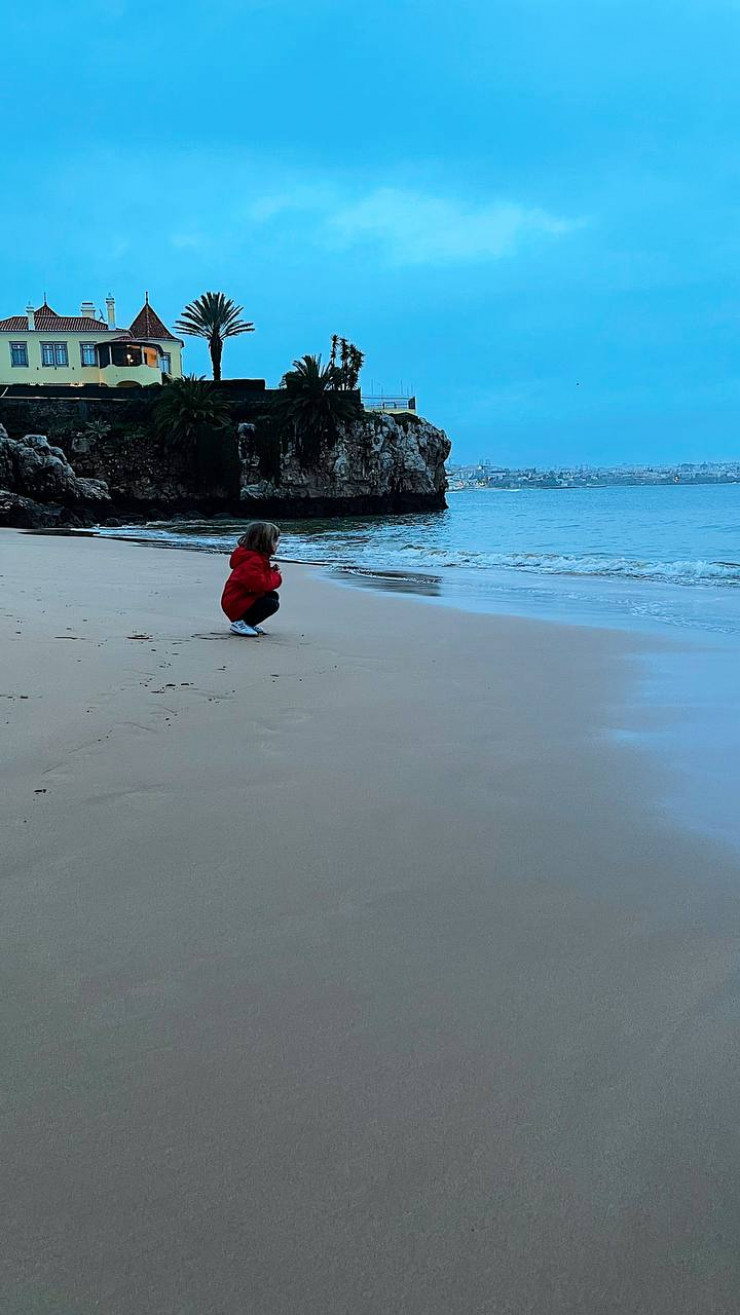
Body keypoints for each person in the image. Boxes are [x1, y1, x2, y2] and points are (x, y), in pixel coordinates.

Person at [221, 521, 282, 637]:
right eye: (275, 540)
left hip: (238, 599)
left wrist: (270, 571)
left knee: (272, 596)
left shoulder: (256, 558)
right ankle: (241, 623)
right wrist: (276, 577)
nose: (278, 543)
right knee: (271, 604)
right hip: (236, 602)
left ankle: (247, 623)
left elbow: (257, 579)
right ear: (264, 542)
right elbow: (260, 585)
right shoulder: (254, 560)